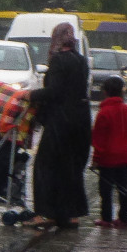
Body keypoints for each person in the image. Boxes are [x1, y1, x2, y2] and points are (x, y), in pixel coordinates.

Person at [22, 22, 92, 229]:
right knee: (71, 168)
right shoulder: (81, 61)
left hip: (61, 121)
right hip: (81, 120)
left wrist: (30, 94)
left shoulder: (59, 61)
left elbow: (55, 91)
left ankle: (45, 213)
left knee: (46, 166)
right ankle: (71, 215)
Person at [91, 75, 127, 229]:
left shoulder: (104, 113)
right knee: (124, 189)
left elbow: (99, 139)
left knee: (106, 190)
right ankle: (123, 219)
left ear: (105, 92)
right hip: (125, 157)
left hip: (107, 159)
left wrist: (96, 159)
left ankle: (106, 218)